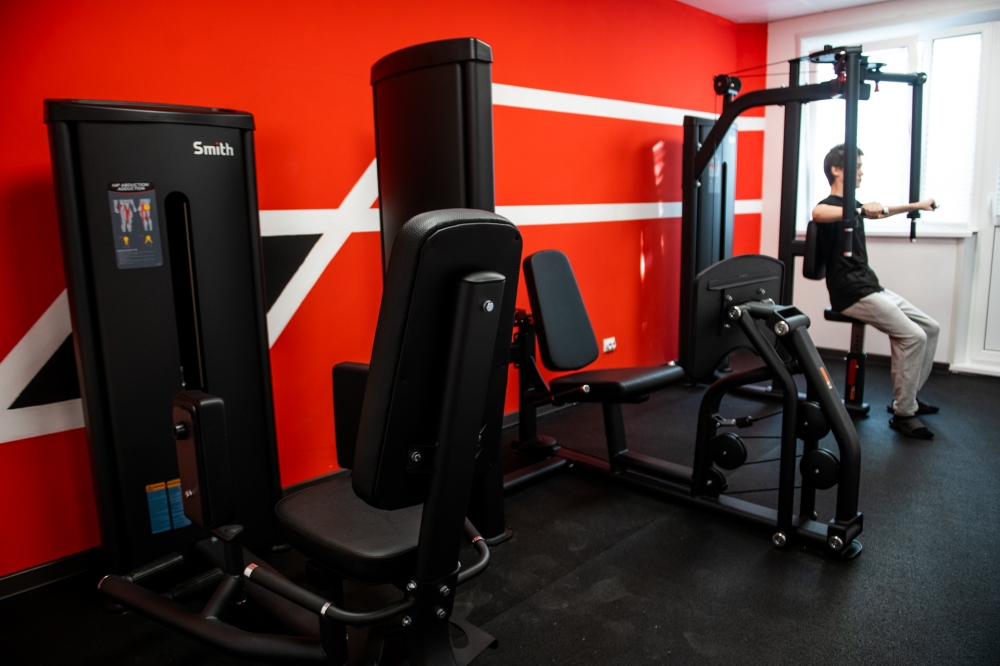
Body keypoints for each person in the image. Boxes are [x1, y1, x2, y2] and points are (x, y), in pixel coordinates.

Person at [812, 144, 939, 440]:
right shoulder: (829, 206)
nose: (861, 172)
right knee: (913, 336)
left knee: (930, 328)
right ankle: (904, 413)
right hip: (850, 292)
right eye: (856, 166)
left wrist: (917, 205)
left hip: (870, 285)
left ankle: (909, 398)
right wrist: (858, 209)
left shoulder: (852, 205)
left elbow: (881, 211)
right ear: (836, 170)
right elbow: (817, 213)